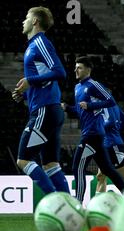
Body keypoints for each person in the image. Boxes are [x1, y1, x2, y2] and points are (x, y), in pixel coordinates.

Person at [12, 6, 70, 194]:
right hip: (50, 110)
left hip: (45, 110)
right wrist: (25, 94)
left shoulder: (40, 43)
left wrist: (30, 81)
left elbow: (60, 72)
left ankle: (53, 201)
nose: (23, 21)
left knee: (23, 160)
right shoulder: (33, 46)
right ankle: (71, 207)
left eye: (27, 18)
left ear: (35, 21)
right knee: (51, 165)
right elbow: (45, 80)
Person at [62, 56, 124, 203]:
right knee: (108, 169)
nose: (76, 70)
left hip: (93, 133)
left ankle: (77, 204)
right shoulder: (77, 87)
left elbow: (111, 101)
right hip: (92, 133)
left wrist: (91, 106)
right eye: (75, 67)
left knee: (77, 167)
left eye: (79, 67)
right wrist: (67, 107)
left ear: (88, 69)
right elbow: (80, 110)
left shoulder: (93, 85)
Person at [95, 105, 124, 193]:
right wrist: (116, 129)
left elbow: (110, 122)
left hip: (113, 145)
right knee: (100, 176)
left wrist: (97, 127)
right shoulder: (113, 106)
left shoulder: (106, 105)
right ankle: (99, 204)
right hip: (105, 145)